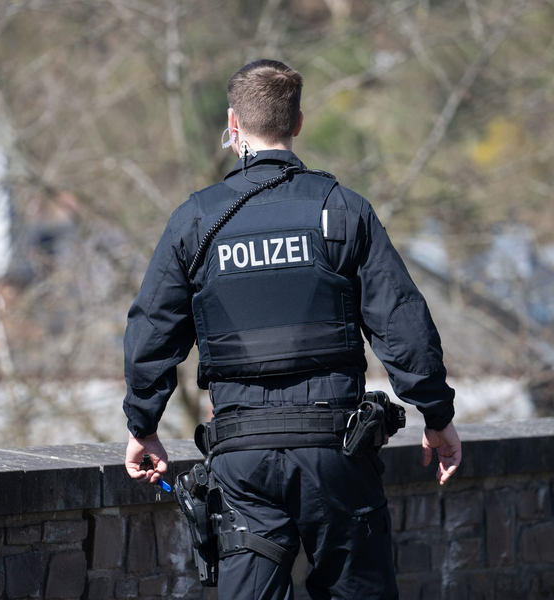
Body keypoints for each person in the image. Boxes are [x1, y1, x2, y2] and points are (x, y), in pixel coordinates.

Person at [123, 59, 461, 600]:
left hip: (242, 456)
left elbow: (153, 331)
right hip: (337, 451)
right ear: (298, 123)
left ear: (233, 124)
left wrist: (142, 425)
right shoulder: (341, 211)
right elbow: (404, 327)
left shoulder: (197, 220)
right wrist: (436, 415)